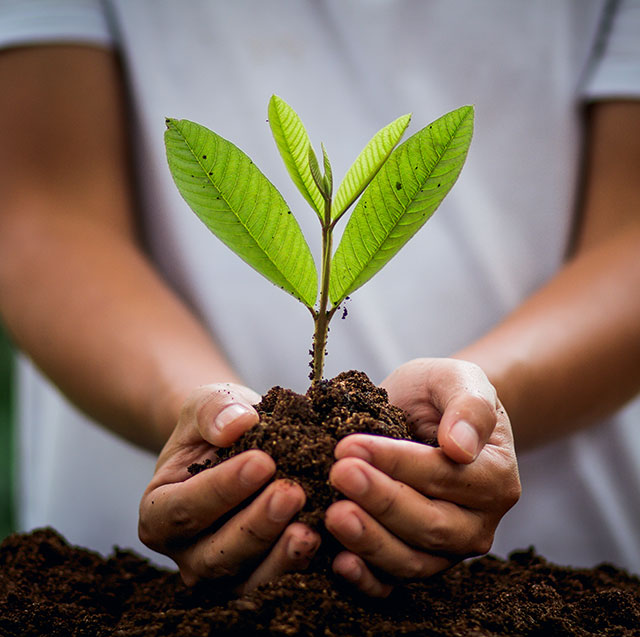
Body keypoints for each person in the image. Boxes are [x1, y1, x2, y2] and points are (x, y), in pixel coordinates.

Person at [0, 0, 638, 597]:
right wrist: (200, 416)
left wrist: (472, 408)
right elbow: (38, 211)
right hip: (125, 583)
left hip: (552, 574)